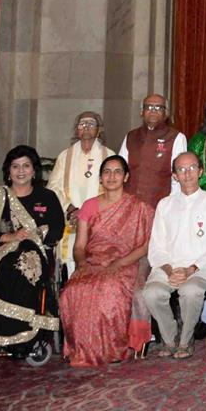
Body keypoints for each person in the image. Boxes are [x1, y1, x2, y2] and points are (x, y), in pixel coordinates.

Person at [0, 146, 65, 354]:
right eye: (15, 166)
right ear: (8, 171)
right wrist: (7, 237)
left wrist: (33, 235)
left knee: (21, 265)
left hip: (32, 254)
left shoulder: (47, 197)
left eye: (26, 166)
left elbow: (57, 229)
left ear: (34, 170)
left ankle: (21, 338)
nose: (21, 171)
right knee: (2, 266)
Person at [59, 155, 154, 366]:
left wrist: (118, 264)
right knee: (72, 291)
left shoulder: (139, 208)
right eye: (107, 172)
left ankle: (111, 349)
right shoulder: (89, 206)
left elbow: (146, 246)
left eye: (117, 171)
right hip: (92, 261)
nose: (112, 176)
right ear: (100, 178)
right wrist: (82, 264)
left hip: (125, 262)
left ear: (126, 176)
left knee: (109, 288)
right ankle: (80, 350)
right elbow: (80, 247)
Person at [141, 151, 206, 359]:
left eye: (192, 168)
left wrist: (190, 269)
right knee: (151, 293)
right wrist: (170, 270)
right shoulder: (165, 204)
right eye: (181, 169)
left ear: (201, 171)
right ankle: (170, 340)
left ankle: (186, 341)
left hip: (202, 267)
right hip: (168, 267)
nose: (187, 174)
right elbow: (156, 246)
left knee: (190, 291)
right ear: (174, 176)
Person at [47, 110, 114, 269]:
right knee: (71, 265)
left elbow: (115, 188)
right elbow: (53, 187)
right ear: (77, 130)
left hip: (99, 219)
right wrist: (70, 209)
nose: (86, 127)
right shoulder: (65, 156)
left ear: (99, 130)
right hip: (71, 218)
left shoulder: (109, 155)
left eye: (91, 124)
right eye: (82, 124)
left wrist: (90, 213)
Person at [119, 94, 187, 209]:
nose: (153, 111)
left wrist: (171, 204)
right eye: (149, 107)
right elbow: (121, 170)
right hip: (130, 204)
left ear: (166, 114)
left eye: (159, 108)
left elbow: (178, 176)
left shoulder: (176, 137)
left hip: (161, 205)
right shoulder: (131, 136)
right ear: (141, 112)